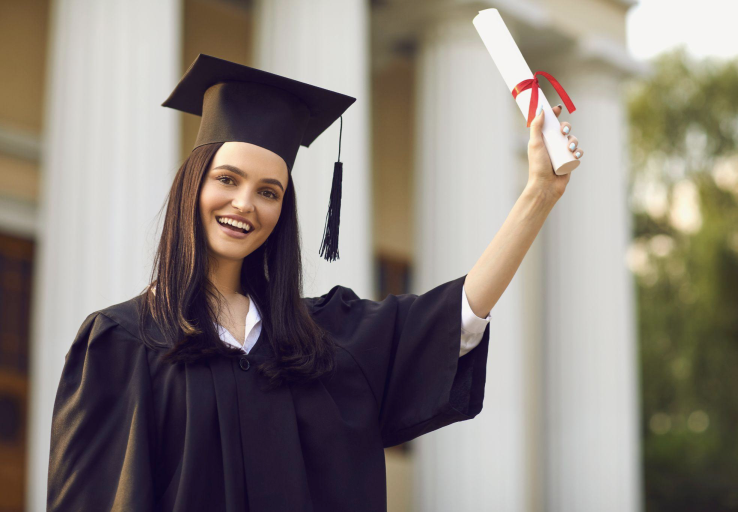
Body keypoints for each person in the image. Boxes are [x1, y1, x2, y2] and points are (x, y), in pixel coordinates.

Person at [46, 54, 583, 511]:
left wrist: (539, 193)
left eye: (269, 191)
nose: (244, 204)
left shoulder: (320, 339)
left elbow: (455, 317)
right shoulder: (120, 342)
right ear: (193, 185)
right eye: (227, 180)